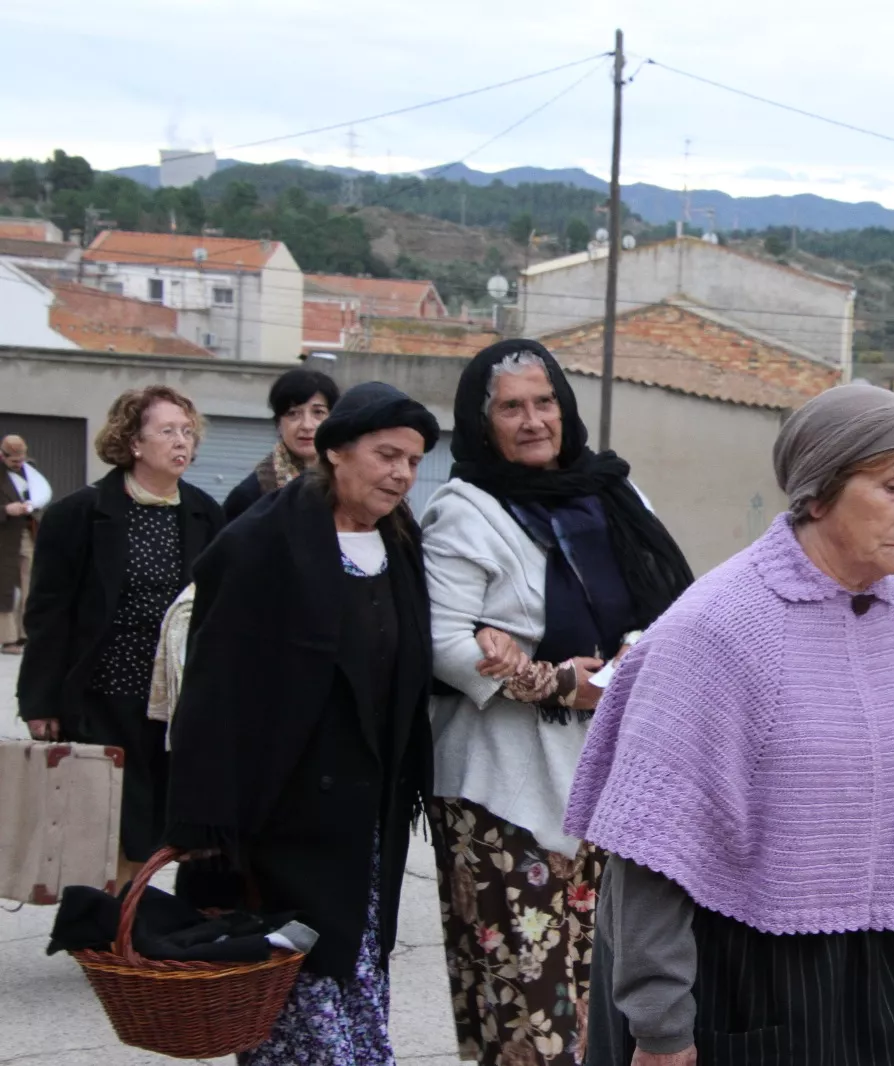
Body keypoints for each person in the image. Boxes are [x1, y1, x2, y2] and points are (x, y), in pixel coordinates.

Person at [567, 383, 894, 1066]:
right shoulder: (721, 628)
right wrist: (661, 1026)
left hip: (869, 968)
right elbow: (649, 853)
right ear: (819, 494)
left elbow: (882, 763)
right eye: (893, 488)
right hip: (740, 976)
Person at [422, 339, 698, 1066]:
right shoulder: (464, 510)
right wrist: (543, 681)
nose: (533, 420)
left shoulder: (613, 492)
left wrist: (612, 671)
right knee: (527, 1001)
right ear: (483, 426)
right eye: (511, 407)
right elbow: (441, 638)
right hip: (504, 789)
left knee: (602, 991)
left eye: (544, 402)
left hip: (608, 779)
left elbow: (668, 609)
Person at [165, 382, 440, 1065]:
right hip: (282, 816)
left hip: (366, 813)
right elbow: (212, 690)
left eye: (413, 459)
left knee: (357, 967)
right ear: (335, 451)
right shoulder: (261, 543)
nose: (402, 473)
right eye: (387, 455)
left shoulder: (398, 542)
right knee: (300, 989)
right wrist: (205, 830)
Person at [17, 388, 222, 884]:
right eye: (168, 430)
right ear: (133, 441)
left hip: (171, 700)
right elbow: (48, 614)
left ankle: (131, 928)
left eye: (188, 431)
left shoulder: (203, 512)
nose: (182, 441)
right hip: (101, 697)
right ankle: (107, 932)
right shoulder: (79, 513)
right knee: (107, 822)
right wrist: (39, 702)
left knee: (159, 821)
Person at [223, 367, 341, 521]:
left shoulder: (348, 483)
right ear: (278, 424)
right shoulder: (250, 496)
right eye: (293, 414)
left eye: (318, 413)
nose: (307, 425)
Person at [1, 434, 52, 653]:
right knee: (5, 589)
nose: (18, 464)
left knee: (30, 585)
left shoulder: (29, 473)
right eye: (14, 461)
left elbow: (41, 495)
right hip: (4, 538)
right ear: (2, 456)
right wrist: (5, 510)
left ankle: (25, 634)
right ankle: (8, 638)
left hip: (27, 534)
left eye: (21, 459)